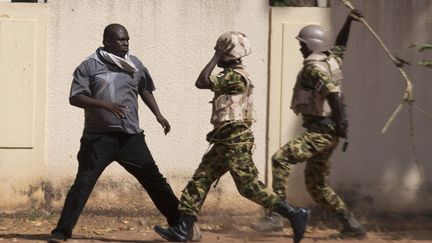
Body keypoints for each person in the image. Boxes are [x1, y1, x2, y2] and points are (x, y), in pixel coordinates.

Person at [154, 31, 309, 243]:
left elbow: (200, 82)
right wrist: (219, 54)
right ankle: (183, 228)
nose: (217, 55)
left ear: (228, 54)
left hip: (235, 143)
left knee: (248, 187)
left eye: (220, 51)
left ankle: (294, 214)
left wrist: (216, 56)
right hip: (223, 142)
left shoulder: (234, 77)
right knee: (200, 180)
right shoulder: (232, 75)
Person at [48, 23, 183, 242]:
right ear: (107, 42)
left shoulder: (135, 64)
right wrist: (105, 105)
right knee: (82, 184)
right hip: (98, 138)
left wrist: (158, 114)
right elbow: (75, 97)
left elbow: (145, 89)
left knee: (155, 180)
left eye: (127, 39)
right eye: (121, 40)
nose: (126, 43)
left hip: (130, 138)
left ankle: (180, 225)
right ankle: (61, 232)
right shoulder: (89, 66)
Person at [253, 10, 367, 238]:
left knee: (280, 158)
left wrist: (341, 124)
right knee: (317, 186)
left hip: (322, 130)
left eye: (303, 44)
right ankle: (351, 224)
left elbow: (332, 95)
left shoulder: (313, 68)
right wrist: (348, 21)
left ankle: (276, 216)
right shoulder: (331, 60)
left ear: (313, 46)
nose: (300, 48)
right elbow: (340, 45)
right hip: (329, 131)